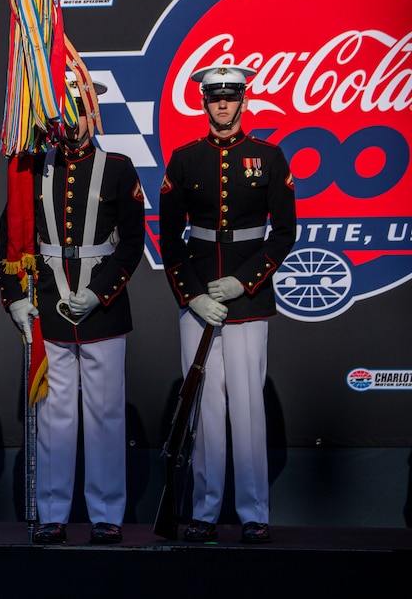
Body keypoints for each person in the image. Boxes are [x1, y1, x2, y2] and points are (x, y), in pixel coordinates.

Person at [0, 78, 145, 545]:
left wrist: (101, 292)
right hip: (48, 306)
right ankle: (53, 513)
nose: (75, 122)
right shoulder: (31, 170)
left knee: (104, 416)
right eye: (66, 112)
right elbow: (13, 237)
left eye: (82, 111)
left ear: (93, 115)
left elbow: (133, 244)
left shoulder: (119, 169)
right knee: (54, 418)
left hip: (102, 310)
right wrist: (13, 296)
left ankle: (106, 515)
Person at [159, 63, 297, 545]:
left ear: (243, 100)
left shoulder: (269, 156)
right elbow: (170, 240)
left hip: (249, 301)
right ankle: (205, 510)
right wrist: (193, 294)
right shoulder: (184, 159)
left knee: (247, 407)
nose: (223, 104)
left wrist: (245, 283)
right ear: (202, 101)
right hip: (198, 297)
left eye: (231, 96)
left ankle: (254, 511)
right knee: (204, 409)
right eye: (215, 96)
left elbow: (283, 234)